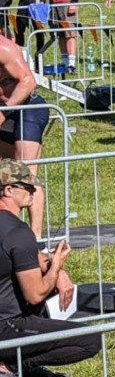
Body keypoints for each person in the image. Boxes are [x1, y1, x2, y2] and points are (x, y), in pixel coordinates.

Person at [1, 159, 101, 377]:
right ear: (7, 190)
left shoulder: (13, 233)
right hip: (7, 326)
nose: (34, 192)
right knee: (90, 340)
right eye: (28, 187)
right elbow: (35, 294)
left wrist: (53, 269)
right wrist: (56, 266)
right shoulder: (19, 232)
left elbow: (27, 254)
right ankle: (10, 367)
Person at [0, 34, 49, 237]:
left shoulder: (4, 48)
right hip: (4, 108)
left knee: (25, 172)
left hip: (28, 107)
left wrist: (3, 112)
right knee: (3, 171)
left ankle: (35, 237)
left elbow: (28, 82)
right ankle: (7, 228)